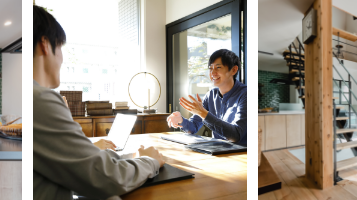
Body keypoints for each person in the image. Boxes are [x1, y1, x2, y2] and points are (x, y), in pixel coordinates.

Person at [33, 5, 166, 200]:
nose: (62, 58)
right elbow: (109, 177)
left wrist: (89, 148)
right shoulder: (40, 99)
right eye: (60, 47)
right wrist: (150, 161)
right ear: (45, 44)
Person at [166, 49, 248, 146]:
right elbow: (193, 127)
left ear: (233, 70)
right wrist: (181, 120)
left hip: (240, 155)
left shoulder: (245, 94)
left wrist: (202, 112)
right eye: (210, 68)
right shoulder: (210, 95)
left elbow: (235, 135)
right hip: (217, 152)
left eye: (218, 67)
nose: (212, 73)